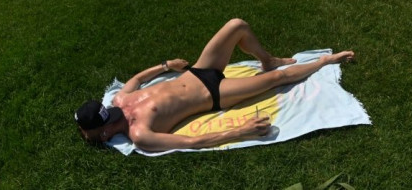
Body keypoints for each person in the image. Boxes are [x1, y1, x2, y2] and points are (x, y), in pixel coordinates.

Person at [75, 18, 354, 152]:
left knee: (237, 25)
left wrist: (165, 66)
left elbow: (135, 80)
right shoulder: (140, 134)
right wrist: (240, 131)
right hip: (213, 94)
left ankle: (268, 59)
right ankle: (326, 61)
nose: (113, 113)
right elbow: (192, 141)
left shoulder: (119, 102)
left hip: (199, 71)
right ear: (107, 132)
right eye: (108, 121)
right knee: (279, 79)